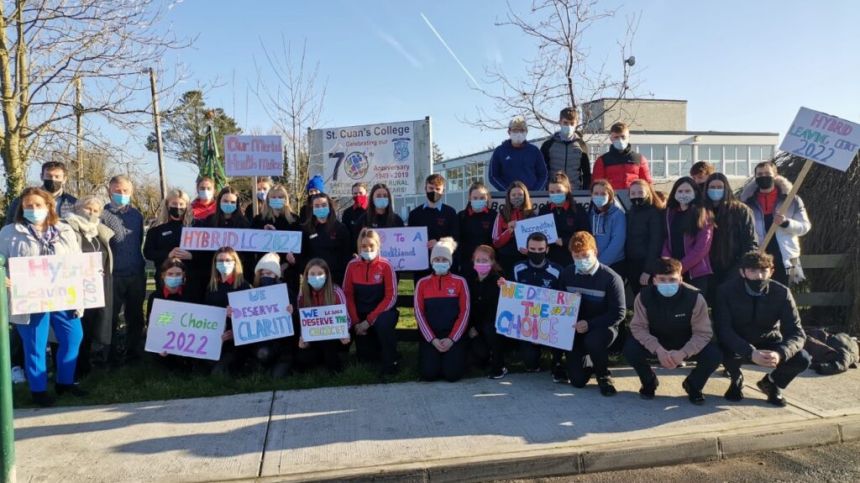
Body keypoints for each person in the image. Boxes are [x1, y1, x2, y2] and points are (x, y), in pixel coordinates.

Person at [0, 188, 84, 406]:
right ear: (22, 208)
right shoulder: (9, 232)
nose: (34, 209)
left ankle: (65, 383)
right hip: (30, 298)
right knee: (35, 344)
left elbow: (77, 261)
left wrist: (90, 274)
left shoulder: (64, 230)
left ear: (49, 206)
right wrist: (4, 277)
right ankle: (38, 390)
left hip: (64, 296)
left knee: (73, 337)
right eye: (28, 205)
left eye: (38, 205)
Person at [715, 251, 811, 407]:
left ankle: (772, 383)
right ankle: (735, 378)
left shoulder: (782, 293)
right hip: (737, 342)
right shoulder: (725, 291)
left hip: (768, 340)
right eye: (753, 271)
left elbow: (797, 332)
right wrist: (749, 352)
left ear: (771, 271)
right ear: (742, 272)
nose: (759, 276)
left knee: (802, 358)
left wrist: (780, 353)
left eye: (763, 271)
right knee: (715, 351)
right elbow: (723, 329)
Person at [623, 258, 721, 405]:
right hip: (656, 341)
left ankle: (694, 385)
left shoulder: (695, 297)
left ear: (681, 279)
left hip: (685, 341)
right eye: (662, 279)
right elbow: (638, 327)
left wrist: (683, 353)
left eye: (672, 280)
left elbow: (703, 333)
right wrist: (658, 350)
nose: (667, 284)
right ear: (654, 280)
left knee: (714, 355)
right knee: (630, 349)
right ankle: (649, 381)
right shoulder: (643, 297)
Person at [559, 231, 626, 396]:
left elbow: (619, 313)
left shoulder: (611, 278)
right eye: (576, 256)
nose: (581, 260)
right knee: (577, 382)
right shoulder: (566, 274)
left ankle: (603, 375)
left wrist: (590, 324)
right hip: (576, 328)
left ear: (595, 252)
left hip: (604, 327)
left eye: (585, 255)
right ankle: (586, 363)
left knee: (593, 340)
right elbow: (558, 301)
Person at [64, 196, 114, 377]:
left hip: (96, 288)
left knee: (92, 327)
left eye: (95, 210)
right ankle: (72, 368)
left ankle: (86, 365)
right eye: (87, 208)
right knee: (76, 329)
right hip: (74, 289)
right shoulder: (67, 228)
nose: (91, 213)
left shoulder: (98, 232)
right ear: (78, 208)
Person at [740, 161, 811, 286]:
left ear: (776, 174)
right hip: (758, 255)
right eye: (760, 174)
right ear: (755, 177)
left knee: (781, 293)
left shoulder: (792, 200)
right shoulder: (747, 202)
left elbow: (805, 227)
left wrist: (786, 223)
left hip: (783, 256)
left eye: (767, 173)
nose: (763, 176)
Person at [100, 175, 146, 365]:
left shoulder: (137, 215)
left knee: (135, 316)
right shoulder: (101, 215)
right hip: (113, 275)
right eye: (117, 191)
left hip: (136, 273)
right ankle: (110, 356)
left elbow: (139, 241)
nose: (122, 194)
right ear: (110, 191)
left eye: (125, 191)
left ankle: (134, 353)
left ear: (131, 192)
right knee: (110, 318)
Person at [343, 229, 400, 376]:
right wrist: (356, 322)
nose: (367, 249)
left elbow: (391, 296)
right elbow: (347, 294)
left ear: (378, 246)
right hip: (360, 316)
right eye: (363, 246)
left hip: (381, 313)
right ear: (359, 247)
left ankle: (391, 362)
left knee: (384, 323)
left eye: (371, 246)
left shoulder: (386, 265)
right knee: (366, 358)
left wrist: (369, 321)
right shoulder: (351, 266)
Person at [510, 232, 565, 379]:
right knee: (530, 364)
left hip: (551, 320)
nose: (536, 252)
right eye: (533, 249)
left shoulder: (557, 270)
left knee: (561, 329)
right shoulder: (517, 268)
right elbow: (511, 298)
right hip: (527, 322)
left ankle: (557, 362)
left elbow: (563, 299)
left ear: (547, 249)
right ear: (527, 249)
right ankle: (533, 356)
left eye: (540, 250)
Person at [414, 238, 470, 382]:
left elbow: (465, 312)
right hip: (431, 336)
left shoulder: (460, 282)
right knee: (428, 374)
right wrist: (432, 339)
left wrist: (452, 339)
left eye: (444, 259)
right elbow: (419, 314)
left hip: (452, 335)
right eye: (437, 259)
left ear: (450, 262)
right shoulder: (422, 283)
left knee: (452, 375)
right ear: (432, 261)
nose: (440, 262)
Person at [703, 173, 757, 301]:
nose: (715, 190)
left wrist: (742, 267)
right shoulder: (700, 210)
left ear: (726, 188)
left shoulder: (741, 210)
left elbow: (750, 242)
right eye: (712, 187)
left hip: (733, 267)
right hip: (706, 269)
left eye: (719, 187)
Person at [295, 258, 351, 373]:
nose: (316, 277)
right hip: (313, 337)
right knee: (301, 359)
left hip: (333, 337)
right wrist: (303, 339)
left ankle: (331, 360)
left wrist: (346, 332)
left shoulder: (336, 292)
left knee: (333, 365)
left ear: (326, 275)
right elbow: (302, 321)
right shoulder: (302, 296)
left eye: (320, 273)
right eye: (312, 274)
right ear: (306, 276)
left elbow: (346, 318)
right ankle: (321, 359)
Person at [204, 246, 252, 375]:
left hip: (236, 341)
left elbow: (251, 319)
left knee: (218, 372)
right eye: (220, 261)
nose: (223, 264)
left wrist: (233, 333)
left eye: (228, 260)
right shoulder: (211, 287)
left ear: (235, 263)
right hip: (215, 337)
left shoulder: (244, 286)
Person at [662, 176, 713, 293]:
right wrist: (667, 264)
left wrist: (680, 267)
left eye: (687, 191)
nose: (683, 194)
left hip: (695, 273)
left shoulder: (703, 214)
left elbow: (702, 247)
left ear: (695, 192)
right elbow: (666, 239)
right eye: (680, 191)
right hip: (671, 272)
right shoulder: (669, 213)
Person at [464, 245, 507, 379]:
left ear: (492, 262)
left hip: (490, 327)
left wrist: (505, 288)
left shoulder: (498, 281)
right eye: (478, 260)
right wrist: (471, 327)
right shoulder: (469, 280)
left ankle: (498, 365)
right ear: (473, 261)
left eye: (485, 260)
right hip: (474, 327)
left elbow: (496, 309)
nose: (481, 263)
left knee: (491, 331)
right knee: (476, 356)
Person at [146, 258, 195, 373]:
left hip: (185, 343)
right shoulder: (155, 297)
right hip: (163, 345)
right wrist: (157, 344)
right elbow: (150, 324)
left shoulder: (190, 294)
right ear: (163, 275)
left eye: (178, 274)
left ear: (183, 275)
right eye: (170, 274)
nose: (174, 277)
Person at [407, 174, 459, 277]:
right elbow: (410, 240)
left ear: (443, 191)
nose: (434, 191)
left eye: (438, 189)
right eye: (431, 188)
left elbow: (455, 238)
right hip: (422, 266)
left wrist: (439, 243)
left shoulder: (450, 212)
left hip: (444, 264)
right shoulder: (415, 214)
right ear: (425, 188)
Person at [144, 189, 194, 293]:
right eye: (174, 203)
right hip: (164, 279)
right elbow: (148, 252)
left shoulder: (195, 227)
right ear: (167, 205)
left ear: (187, 206)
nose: (178, 207)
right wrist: (168, 254)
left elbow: (205, 254)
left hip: (191, 278)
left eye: (181, 204)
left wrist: (191, 256)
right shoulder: (156, 229)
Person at [251, 184, 301, 289]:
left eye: (280, 197)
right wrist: (263, 233)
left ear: (285, 199)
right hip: (264, 273)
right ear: (268, 199)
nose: (277, 199)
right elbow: (252, 245)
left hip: (288, 273)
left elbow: (300, 247)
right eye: (273, 197)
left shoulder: (295, 220)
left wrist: (292, 261)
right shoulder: (259, 220)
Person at [300, 192, 352, 285]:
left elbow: (346, 255)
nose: (320, 208)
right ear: (312, 208)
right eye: (317, 206)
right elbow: (303, 255)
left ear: (330, 206)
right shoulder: (306, 229)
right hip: (313, 278)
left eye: (324, 205)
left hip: (335, 279)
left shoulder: (340, 229)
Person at [540, 171, 589, 267]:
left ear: (567, 190)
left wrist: (565, 241)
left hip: (572, 259)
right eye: (552, 192)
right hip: (549, 261)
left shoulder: (578, 210)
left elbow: (586, 236)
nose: (555, 194)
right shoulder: (544, 210)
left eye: (559, 191)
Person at [625, 179, 665, 295]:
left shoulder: (655, 213)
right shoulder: (631, 211)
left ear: (648, 193)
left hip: (646, 265)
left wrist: (648, 270)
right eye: (633, 193)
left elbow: (655, 243)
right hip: (632, 263)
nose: (636, 196)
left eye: (640, 193)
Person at [5, 161, 77, 225]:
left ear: (64, 179)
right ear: (41, 176)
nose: (53, 179)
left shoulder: (74, 203)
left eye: (57, 176)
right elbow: (10, 227)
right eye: (49, 176)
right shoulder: (22, 201)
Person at [488, 115, 548, 191]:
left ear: (526, 132)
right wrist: (508, 192)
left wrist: (536, 192)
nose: (519, 133)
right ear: (509, 131)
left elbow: (543, 175)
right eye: (515, 130)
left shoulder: (534, 151)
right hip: (508, 198)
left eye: (522, 130)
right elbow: (493, 176)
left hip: (532, 197)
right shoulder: (499, 151)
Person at [540, 107, 591, 190]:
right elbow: (541, 171)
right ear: (560, 122)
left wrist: (584, 191)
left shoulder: (581, 145)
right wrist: (545, 188)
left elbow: (586, 173)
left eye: (572, 123)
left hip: (575, 191)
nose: (568, 126)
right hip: (554, 191)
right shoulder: (548, 145)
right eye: (565, 123)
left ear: (576, 124)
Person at [591, 122, 652, 190]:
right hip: (612, 198)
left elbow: (647, 184)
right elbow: (597, 185)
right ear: (611, 138)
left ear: (628, 137)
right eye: (616, 137)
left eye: (623, 137)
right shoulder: (602, 160)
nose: (620, 140)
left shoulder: (639, 159)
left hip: (633, 198)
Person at [492, 181, 535, 274]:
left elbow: (538, 239)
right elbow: (496, 242)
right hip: (506, 260)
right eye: (514, 195)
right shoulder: (502, 214)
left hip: (526, 259)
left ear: (525, 196)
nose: (517, 197)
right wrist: (508, 231)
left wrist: (530, 251)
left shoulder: (532, 214)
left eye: (520, 194)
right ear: (509, 197)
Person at [457, 182, 497, 273]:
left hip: (487, 263)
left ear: (487, 198)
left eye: (482, 198)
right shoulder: (461, 216)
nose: (478, 200)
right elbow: (457, 241)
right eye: (475, 198)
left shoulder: (494, 216)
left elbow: (496, 241)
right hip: (467, 264)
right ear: (469, 198)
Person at [588, 180, 626, 273]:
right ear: (591, 195)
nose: (599, 196)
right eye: (596, 193)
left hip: (614, 264)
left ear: (609, 196)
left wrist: (600, 263)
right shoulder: (590, 214)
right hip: (592, 263)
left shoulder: (618, 214)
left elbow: (617, 242)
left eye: (603, 193)